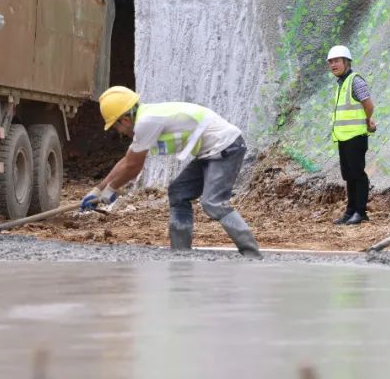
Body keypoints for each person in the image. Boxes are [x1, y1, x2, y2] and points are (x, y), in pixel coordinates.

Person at [81, 86, 262, 258]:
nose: (118, 131)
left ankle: (251, 253)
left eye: (116, 126)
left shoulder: (147, 122)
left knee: (212, 202)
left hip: (226, 147)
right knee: (179, 192)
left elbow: (134, 166)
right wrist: (98, 190)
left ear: (126, 120)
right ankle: (181, 253)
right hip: (211, 152)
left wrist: (111, 190)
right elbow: (127, 160)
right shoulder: (146, 119)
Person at [326, 45, 376, 225]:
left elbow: (368, 105)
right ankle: (350, 211)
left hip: (356, 136)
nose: (333, 65)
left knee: (357, 174)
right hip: (343, 137)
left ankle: (361, 212)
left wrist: (368, 120)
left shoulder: (355, 81)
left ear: (346, 62)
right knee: (348, 175)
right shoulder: (341, 84)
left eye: (337, 61)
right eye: (331, 62)